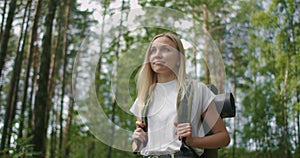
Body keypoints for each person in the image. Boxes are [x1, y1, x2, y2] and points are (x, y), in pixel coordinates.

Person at [130, 32, 230, 158]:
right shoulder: (144, 96)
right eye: (153, 50)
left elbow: (223, 137)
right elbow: (138, 148)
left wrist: (193, 141)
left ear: (179, 58)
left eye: (165, 49)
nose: (157, 55)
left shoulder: (197, 90)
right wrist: (138, 143)